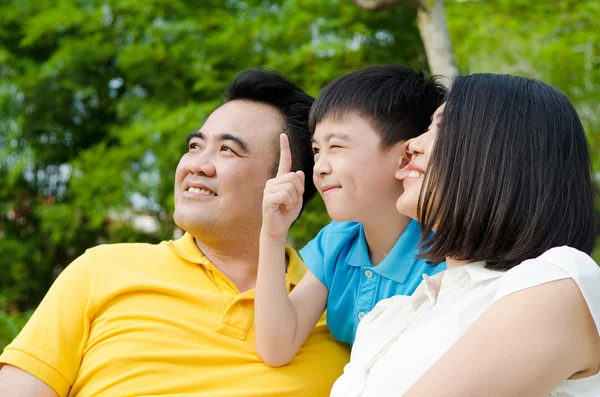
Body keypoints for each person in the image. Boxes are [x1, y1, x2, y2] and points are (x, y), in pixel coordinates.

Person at [0, 68, 350, 397]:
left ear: (289, 182)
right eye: (195, 146)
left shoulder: (343, 304)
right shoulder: (101, 271)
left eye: (227, 149)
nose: (195, 164)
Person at [330, 73, 600, 396]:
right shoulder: (386, 317)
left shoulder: (559, 280)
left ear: (500, 152)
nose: (411, 145)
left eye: (440, 127)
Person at [255, 65, 447, 366]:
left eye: (337, 147)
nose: (319, 166)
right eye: (317, 150)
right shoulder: (337, 241)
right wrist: (272, 235)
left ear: (406, 157)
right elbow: (276, 347)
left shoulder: (447, 253)